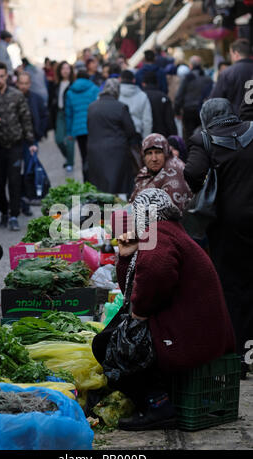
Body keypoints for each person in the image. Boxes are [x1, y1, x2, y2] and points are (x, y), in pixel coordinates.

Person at [92, 187, 236, 431]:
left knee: (109, 344)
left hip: (191, 339)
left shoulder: (158, 235)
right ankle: (162, 396)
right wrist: (126, 257)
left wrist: (141, 312)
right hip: (194, 332)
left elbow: (156, 274)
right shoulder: (167, 230)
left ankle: (158, 405)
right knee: (118, 327)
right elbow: (133, 288)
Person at [184, 97, 253, 380]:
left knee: (234, 287)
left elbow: (192, 172)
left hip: (228, 225)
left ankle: (239, 357)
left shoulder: (204, 139)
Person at [0, 61, 36, 231]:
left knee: (15, 182)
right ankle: (4, 212)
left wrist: (30, 142)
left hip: (15, 146)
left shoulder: (17, 96)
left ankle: (14, 215)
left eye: (1, 76)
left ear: (7, 76)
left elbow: (26, 119)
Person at [87, 78, 137, 196]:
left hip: (95, 151)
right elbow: (131, 130)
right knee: (118, 187)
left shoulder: (92, 107)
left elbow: (90, 127)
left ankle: (100, 212)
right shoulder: (120, 107)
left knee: (100, 186)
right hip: (117, 152)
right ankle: (118, 212)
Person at [130, 133, 192, 214]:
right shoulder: (145, 171)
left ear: (166, 152)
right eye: (149, 153)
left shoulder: (174, 171)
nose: (154, 158)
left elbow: (170, 212)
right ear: (143, 156)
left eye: (158, 152)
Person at [16, 72, 49, 214]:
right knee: (16, 173)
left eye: (26, 83)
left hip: (31, 140)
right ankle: (18, 202)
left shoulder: (36, 98)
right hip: (16, 141)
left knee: (29, 171)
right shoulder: (13, 97)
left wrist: (39, 132)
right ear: (17, 83)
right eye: (21, 83)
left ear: (29, 84)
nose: (23, 86)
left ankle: (26, 202)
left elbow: (44, 115)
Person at [65, 69, 99, 180]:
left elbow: (68, 114)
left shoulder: (70, 92)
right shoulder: (94, 89)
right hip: (93, 128)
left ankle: (86, 181)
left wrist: (69, 132)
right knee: (94, 156)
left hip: (78, 130)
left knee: (84, 157)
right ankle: (95, 180)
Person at [174, 56, 213, 142]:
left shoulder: (188, 77)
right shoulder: (207, 78)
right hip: (204, 111)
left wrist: (177, 110)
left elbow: (179, 95)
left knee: (189, 136)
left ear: (191, 65)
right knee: (204, 135)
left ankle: (191, 153)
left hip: (189, 111)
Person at [210, 39, 253, 114]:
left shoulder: (227, 73)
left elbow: (215, 100)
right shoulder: (228, 72)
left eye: (231, 54)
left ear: (236, 54)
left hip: (235, 119)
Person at [51, 61, 75, 172]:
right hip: (59, 113)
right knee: (59, 139)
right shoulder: (56, 85)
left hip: (70, 113)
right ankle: (68, 157)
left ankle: (70, 162)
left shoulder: (73, 85)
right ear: (59, 71)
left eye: (67, 68)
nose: (65, 71)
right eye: (63, 68)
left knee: (70, 140)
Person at [119, 70, 152, 142]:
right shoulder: (142, 95)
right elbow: (147, 120)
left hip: (119, 133)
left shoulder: (116, 95)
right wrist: (145, 140)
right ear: (134, 80)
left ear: (120, 79)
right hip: (136, 133)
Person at [142, 71, 177, 137]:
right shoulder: (163, 97)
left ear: (143, 83)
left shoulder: (140, 96)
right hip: (162, 136)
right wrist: (174, 136)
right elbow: (170, 121)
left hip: (144, 138)